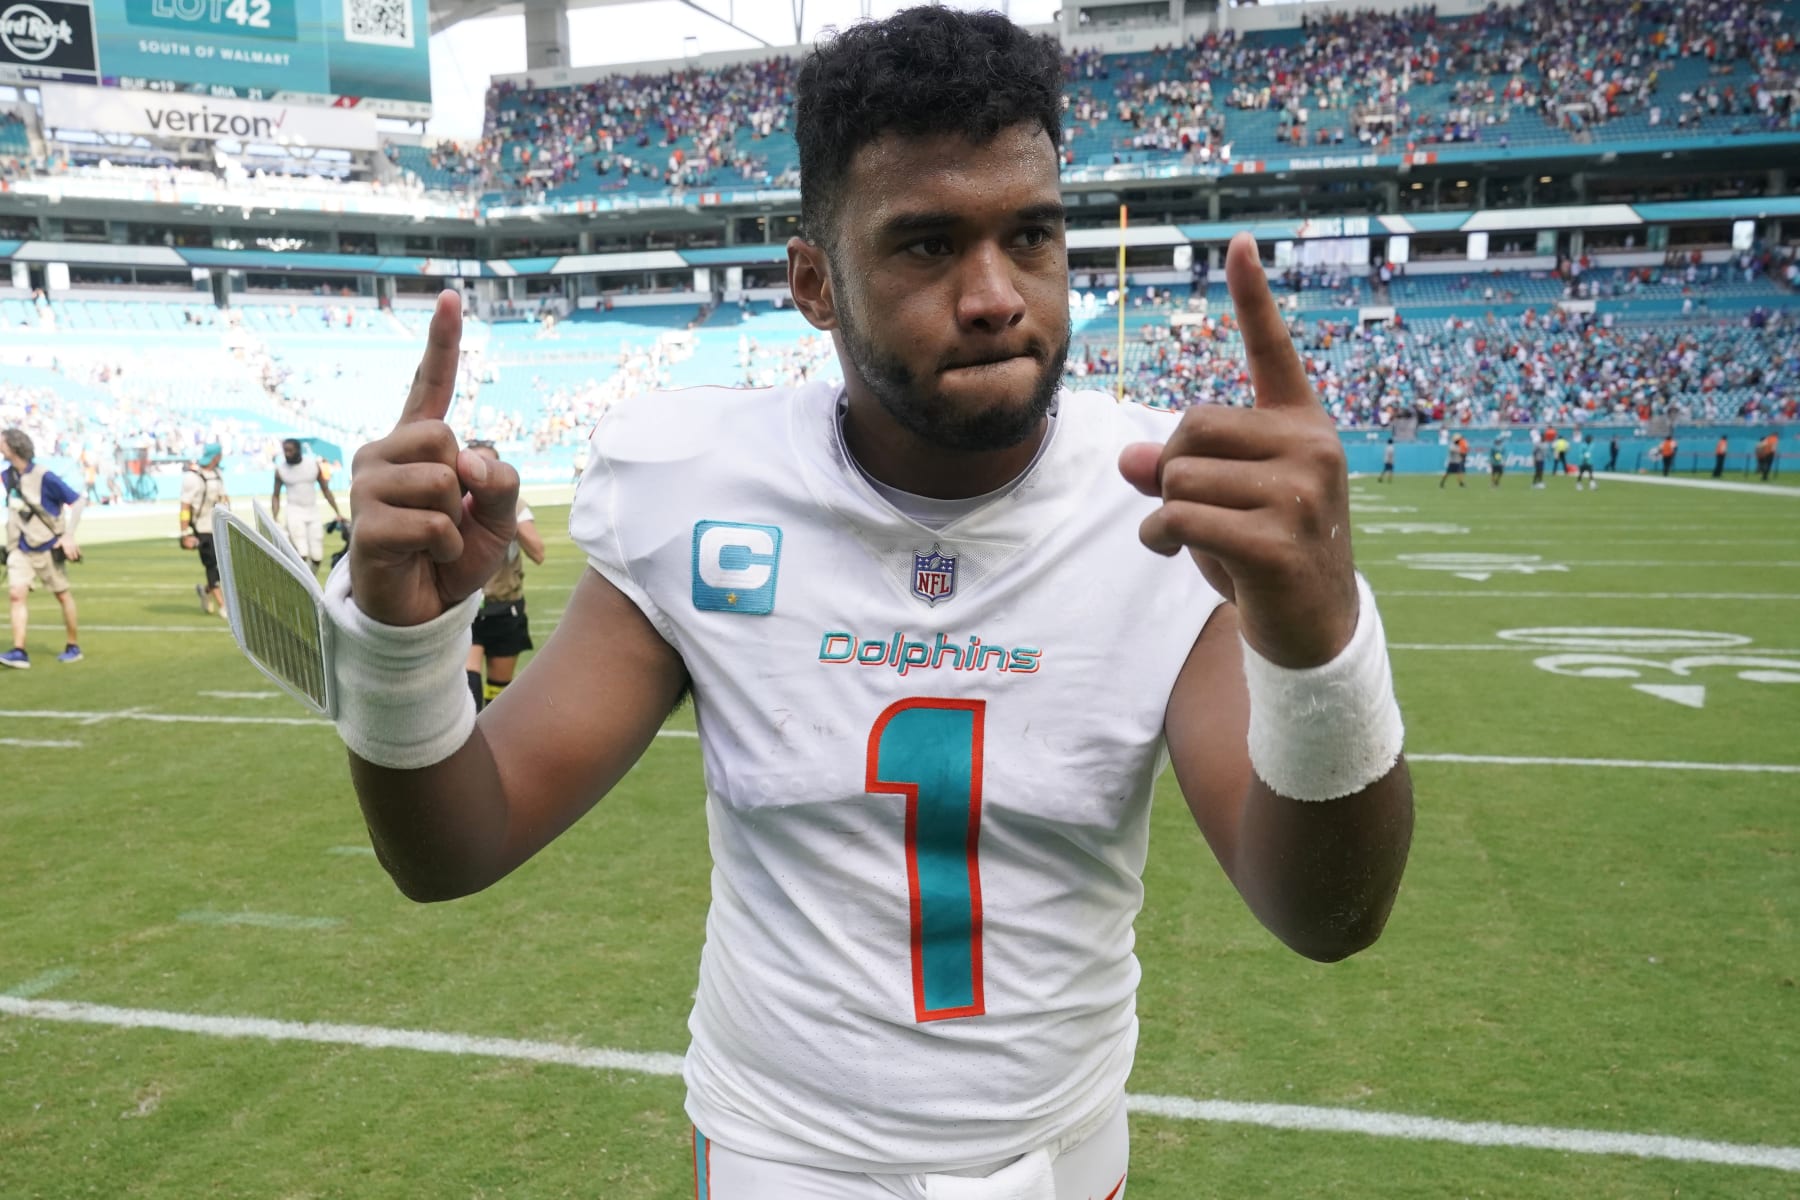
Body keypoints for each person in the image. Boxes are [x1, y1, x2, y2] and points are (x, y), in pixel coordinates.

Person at [328, 11, 1413, 1197]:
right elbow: (455, 846)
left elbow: (1328, 916)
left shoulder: (1154, 502)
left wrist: (1322, 648)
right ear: (813, 282)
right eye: (927, 246)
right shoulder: (698, 486)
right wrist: (401, 644)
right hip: (780, 1156)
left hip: (1057, 1161)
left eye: (1032, 237)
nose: (996, 294)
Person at [463, 441, 545, 712]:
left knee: (497, 699)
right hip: (467, 608)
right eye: (473, 463)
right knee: (468, 685)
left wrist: (505, 510)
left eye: (488, 464)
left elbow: (538, 553)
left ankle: (489, 749)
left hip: (505, 607)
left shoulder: (517, 505)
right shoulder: (455, 505)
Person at [2, 428, 84, 667]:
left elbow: (77, 500)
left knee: (62, 594)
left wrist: (68, 535)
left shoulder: (44, 476)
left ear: (14, 446)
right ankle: (19, 650)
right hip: (19, 547)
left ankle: (72, 645)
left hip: (47, 545)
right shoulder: (7, 476)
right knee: (16, 594)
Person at [271, 438, 345, 576]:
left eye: (290, 450)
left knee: (317, 557)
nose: (287, 454)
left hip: (313, 512)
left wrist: (337, 511)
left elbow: (326, 490)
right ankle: (300, 585)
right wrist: (275, 517)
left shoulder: (313, 466)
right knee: (301, 553)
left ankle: (310, 585)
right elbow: (275, 495)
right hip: (294, 512)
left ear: (298, 450)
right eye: (285, 450)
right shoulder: (281, 470)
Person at [180, 444, 229, 617]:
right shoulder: (193, 478)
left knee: (223, 567)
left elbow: (224, 498)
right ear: (216, 456)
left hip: (217, 525)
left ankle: (206, 591)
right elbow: (185, 505)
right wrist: (185, 532)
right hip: (201, 527)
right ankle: (223, 605)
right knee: (212, 564)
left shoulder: (217, 474)